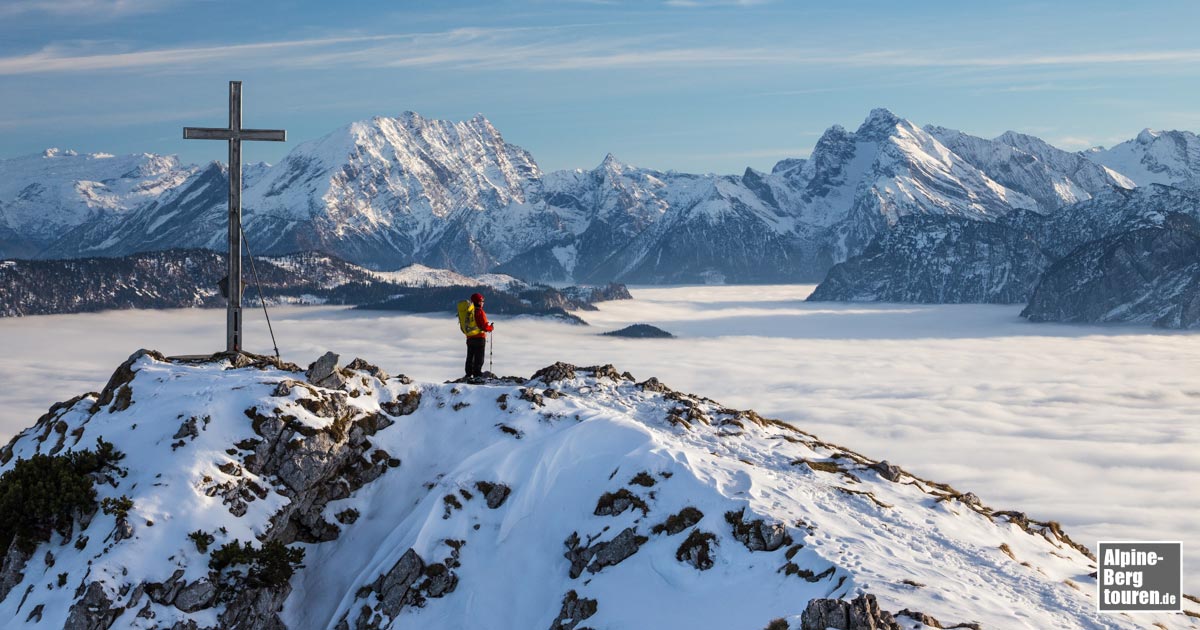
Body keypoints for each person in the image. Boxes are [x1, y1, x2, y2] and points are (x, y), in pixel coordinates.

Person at [464, 292, 494, 381]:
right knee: (479, 357)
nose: (483, 302)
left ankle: (468, 374)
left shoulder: (469, 312)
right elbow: (484, 326)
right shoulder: (480, 312)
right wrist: (491, 327)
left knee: (470, 356)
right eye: (482, 301)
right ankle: (477, 375)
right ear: (479, 302)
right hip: (479, 338)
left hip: (469, 337)